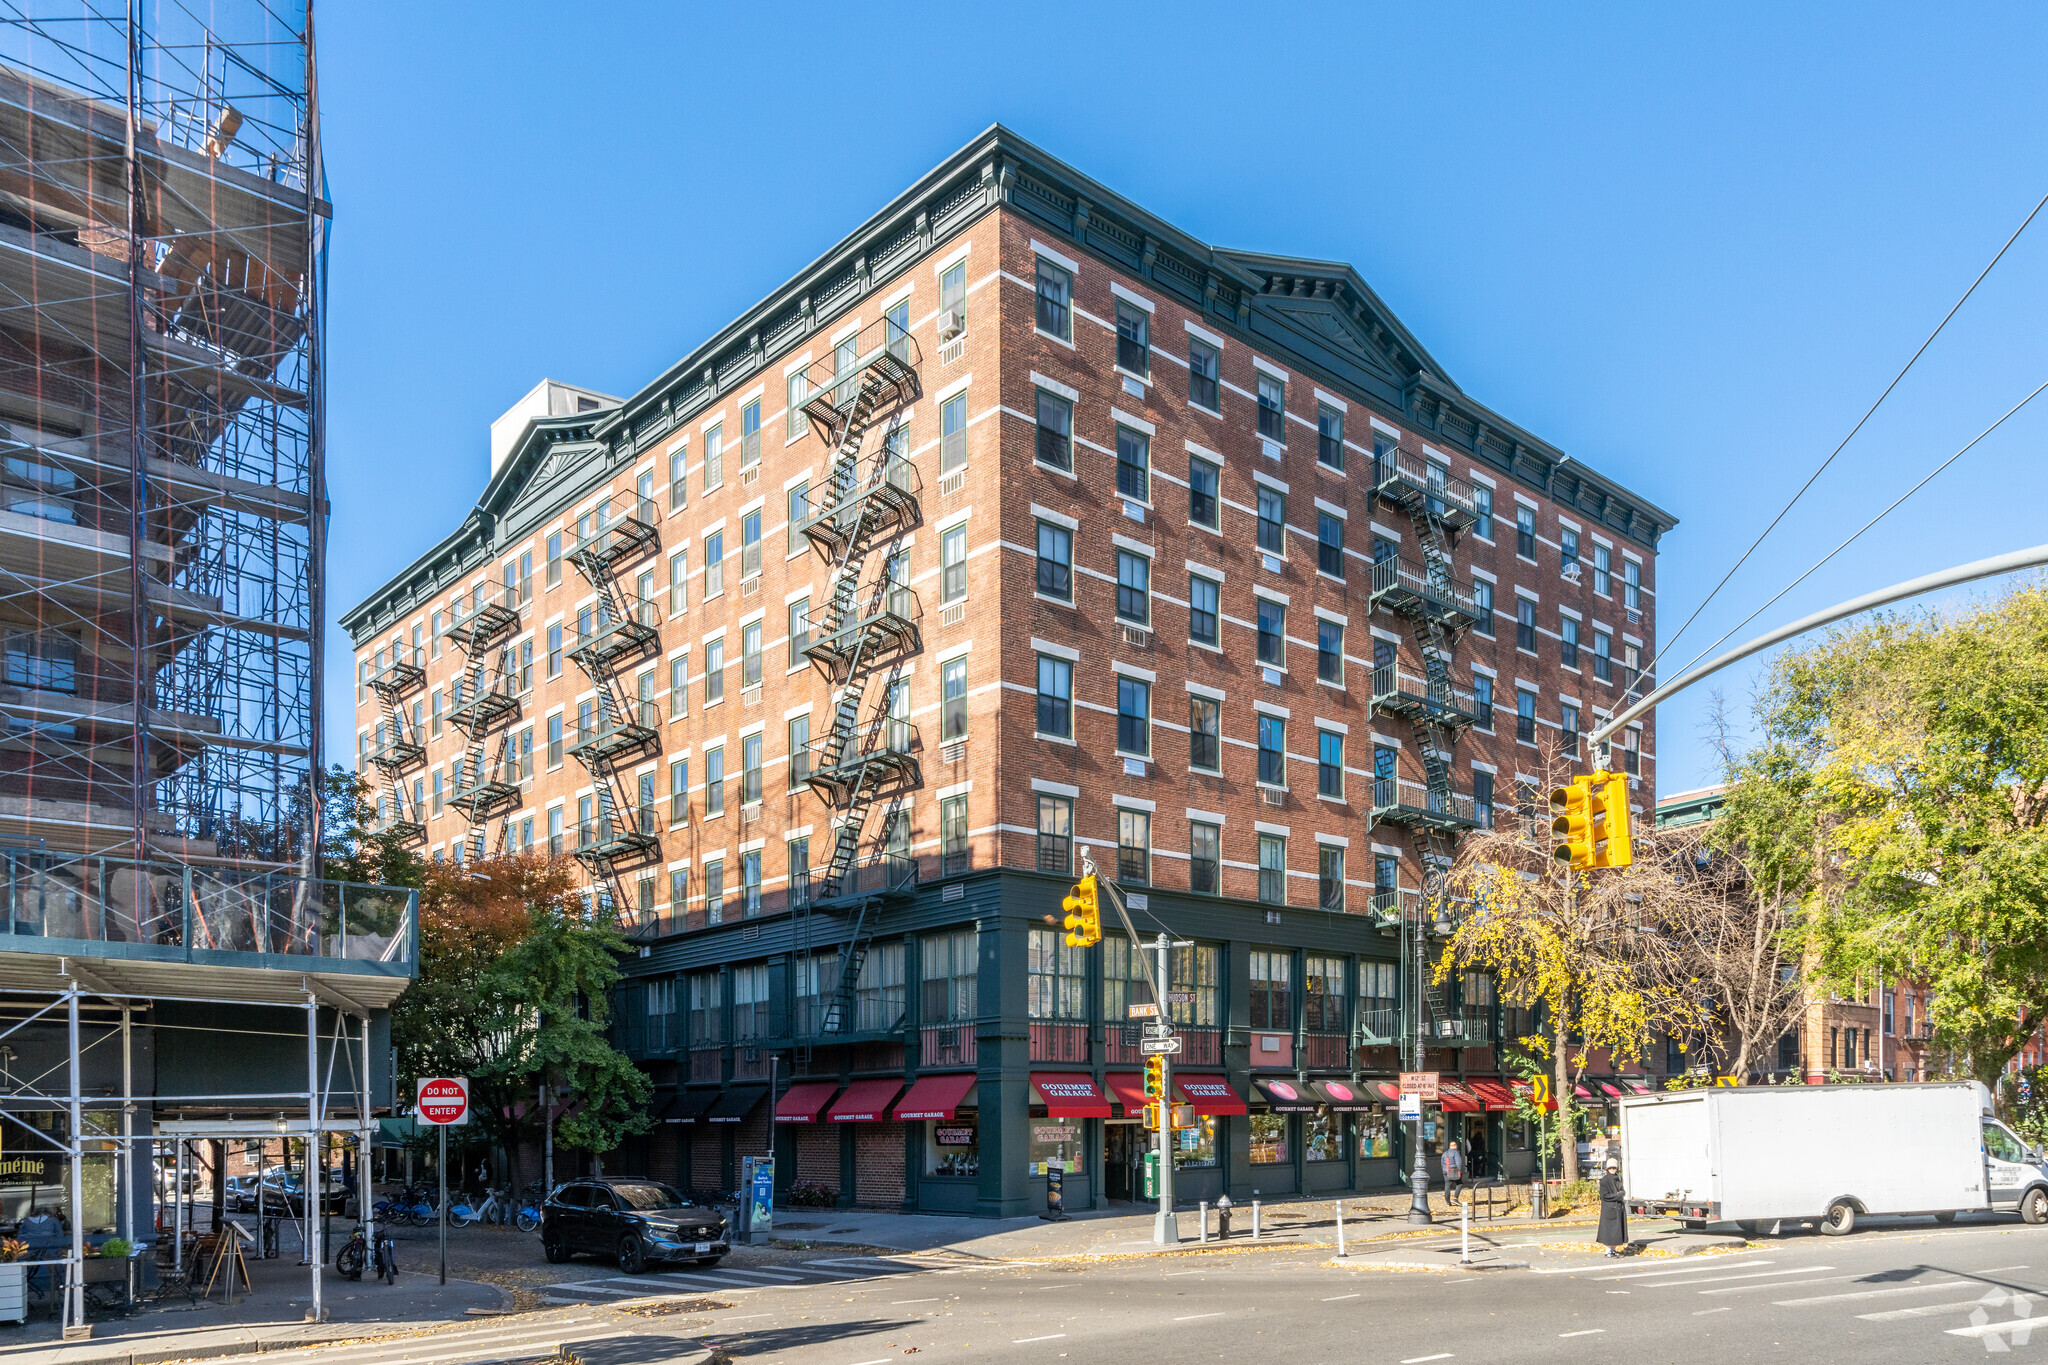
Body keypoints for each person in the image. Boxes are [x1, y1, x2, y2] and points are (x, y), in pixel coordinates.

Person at [1596, 1156, 1628, 1257]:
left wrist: (1622, 1194)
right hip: (1609, 1208)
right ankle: (1608, 1251)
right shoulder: (1604, 1180)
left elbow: (1622, 1190)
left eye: (1614, 1168)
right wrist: (1618, 1196)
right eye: (1610, 1168)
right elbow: (1604, 1196)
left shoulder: (1619, 1178)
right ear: (1607, 1169)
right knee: (1609, 1231)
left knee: (1617, 1230)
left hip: (1618, 1208)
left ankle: (1613, 1250)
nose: (1612, 1170)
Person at [1441, 1138, 1465, 1210]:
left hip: (1446, 1172)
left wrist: (1444, 1171)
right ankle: (1455, 1198)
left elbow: (1442, 1163)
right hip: (1454, 1171)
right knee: (1459, 1183)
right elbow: (1458, 1163)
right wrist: (1460, 1171)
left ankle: (1447, 1201)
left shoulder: (1444, 1153)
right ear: (1455, 1146)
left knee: (1447, 1185)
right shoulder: (1456, 1152)